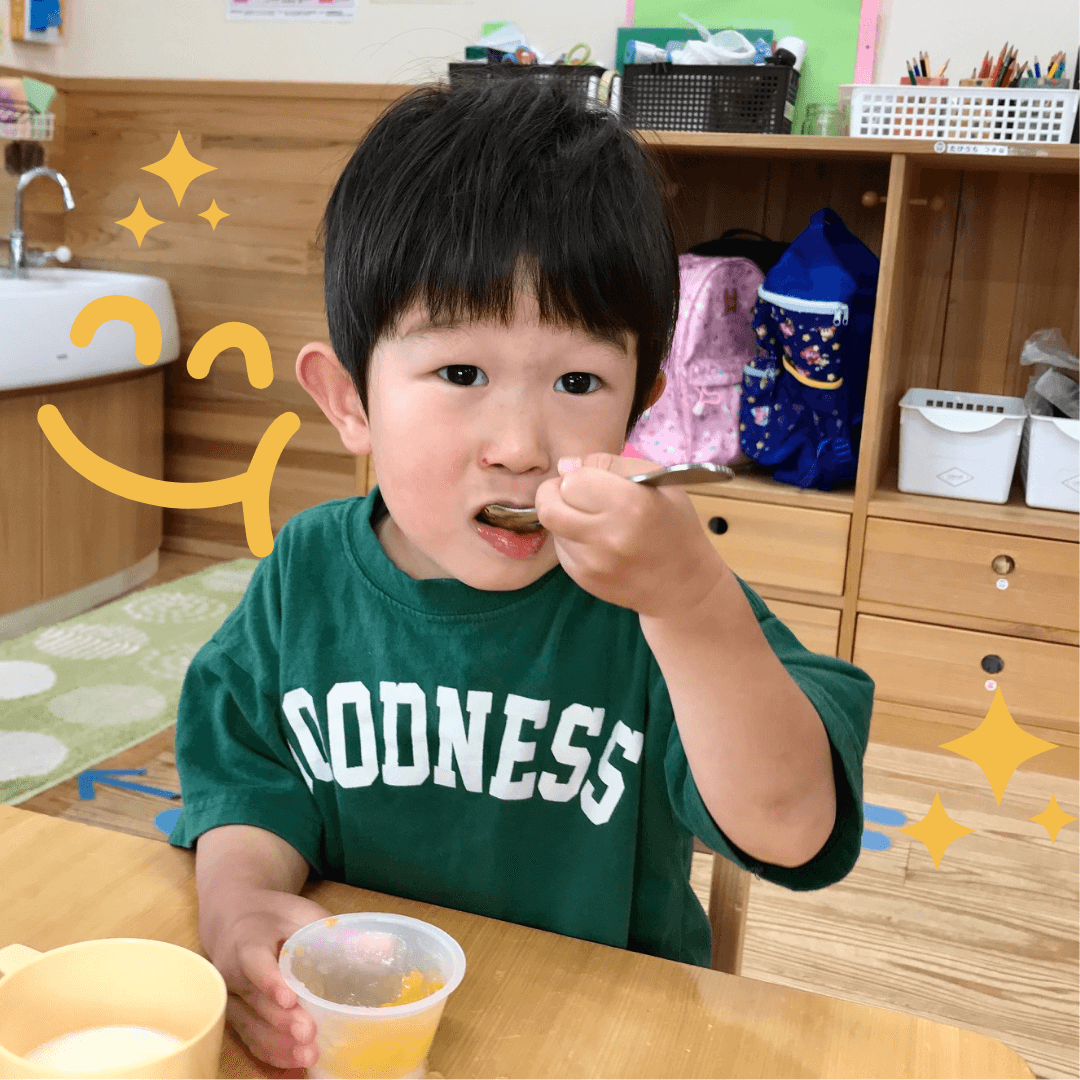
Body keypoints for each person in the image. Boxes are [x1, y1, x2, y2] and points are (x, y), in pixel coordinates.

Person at [168, 75, 874, 1072]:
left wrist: (690, 604)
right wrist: (239, 898)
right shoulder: (307, 575)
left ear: (640, 407)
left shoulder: (658, 602)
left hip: (599, 1043)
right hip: (354, 1035)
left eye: (579, 382)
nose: (520, 447)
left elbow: (794, 828)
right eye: (461, 374)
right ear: (351, 401)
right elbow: (247, 776)